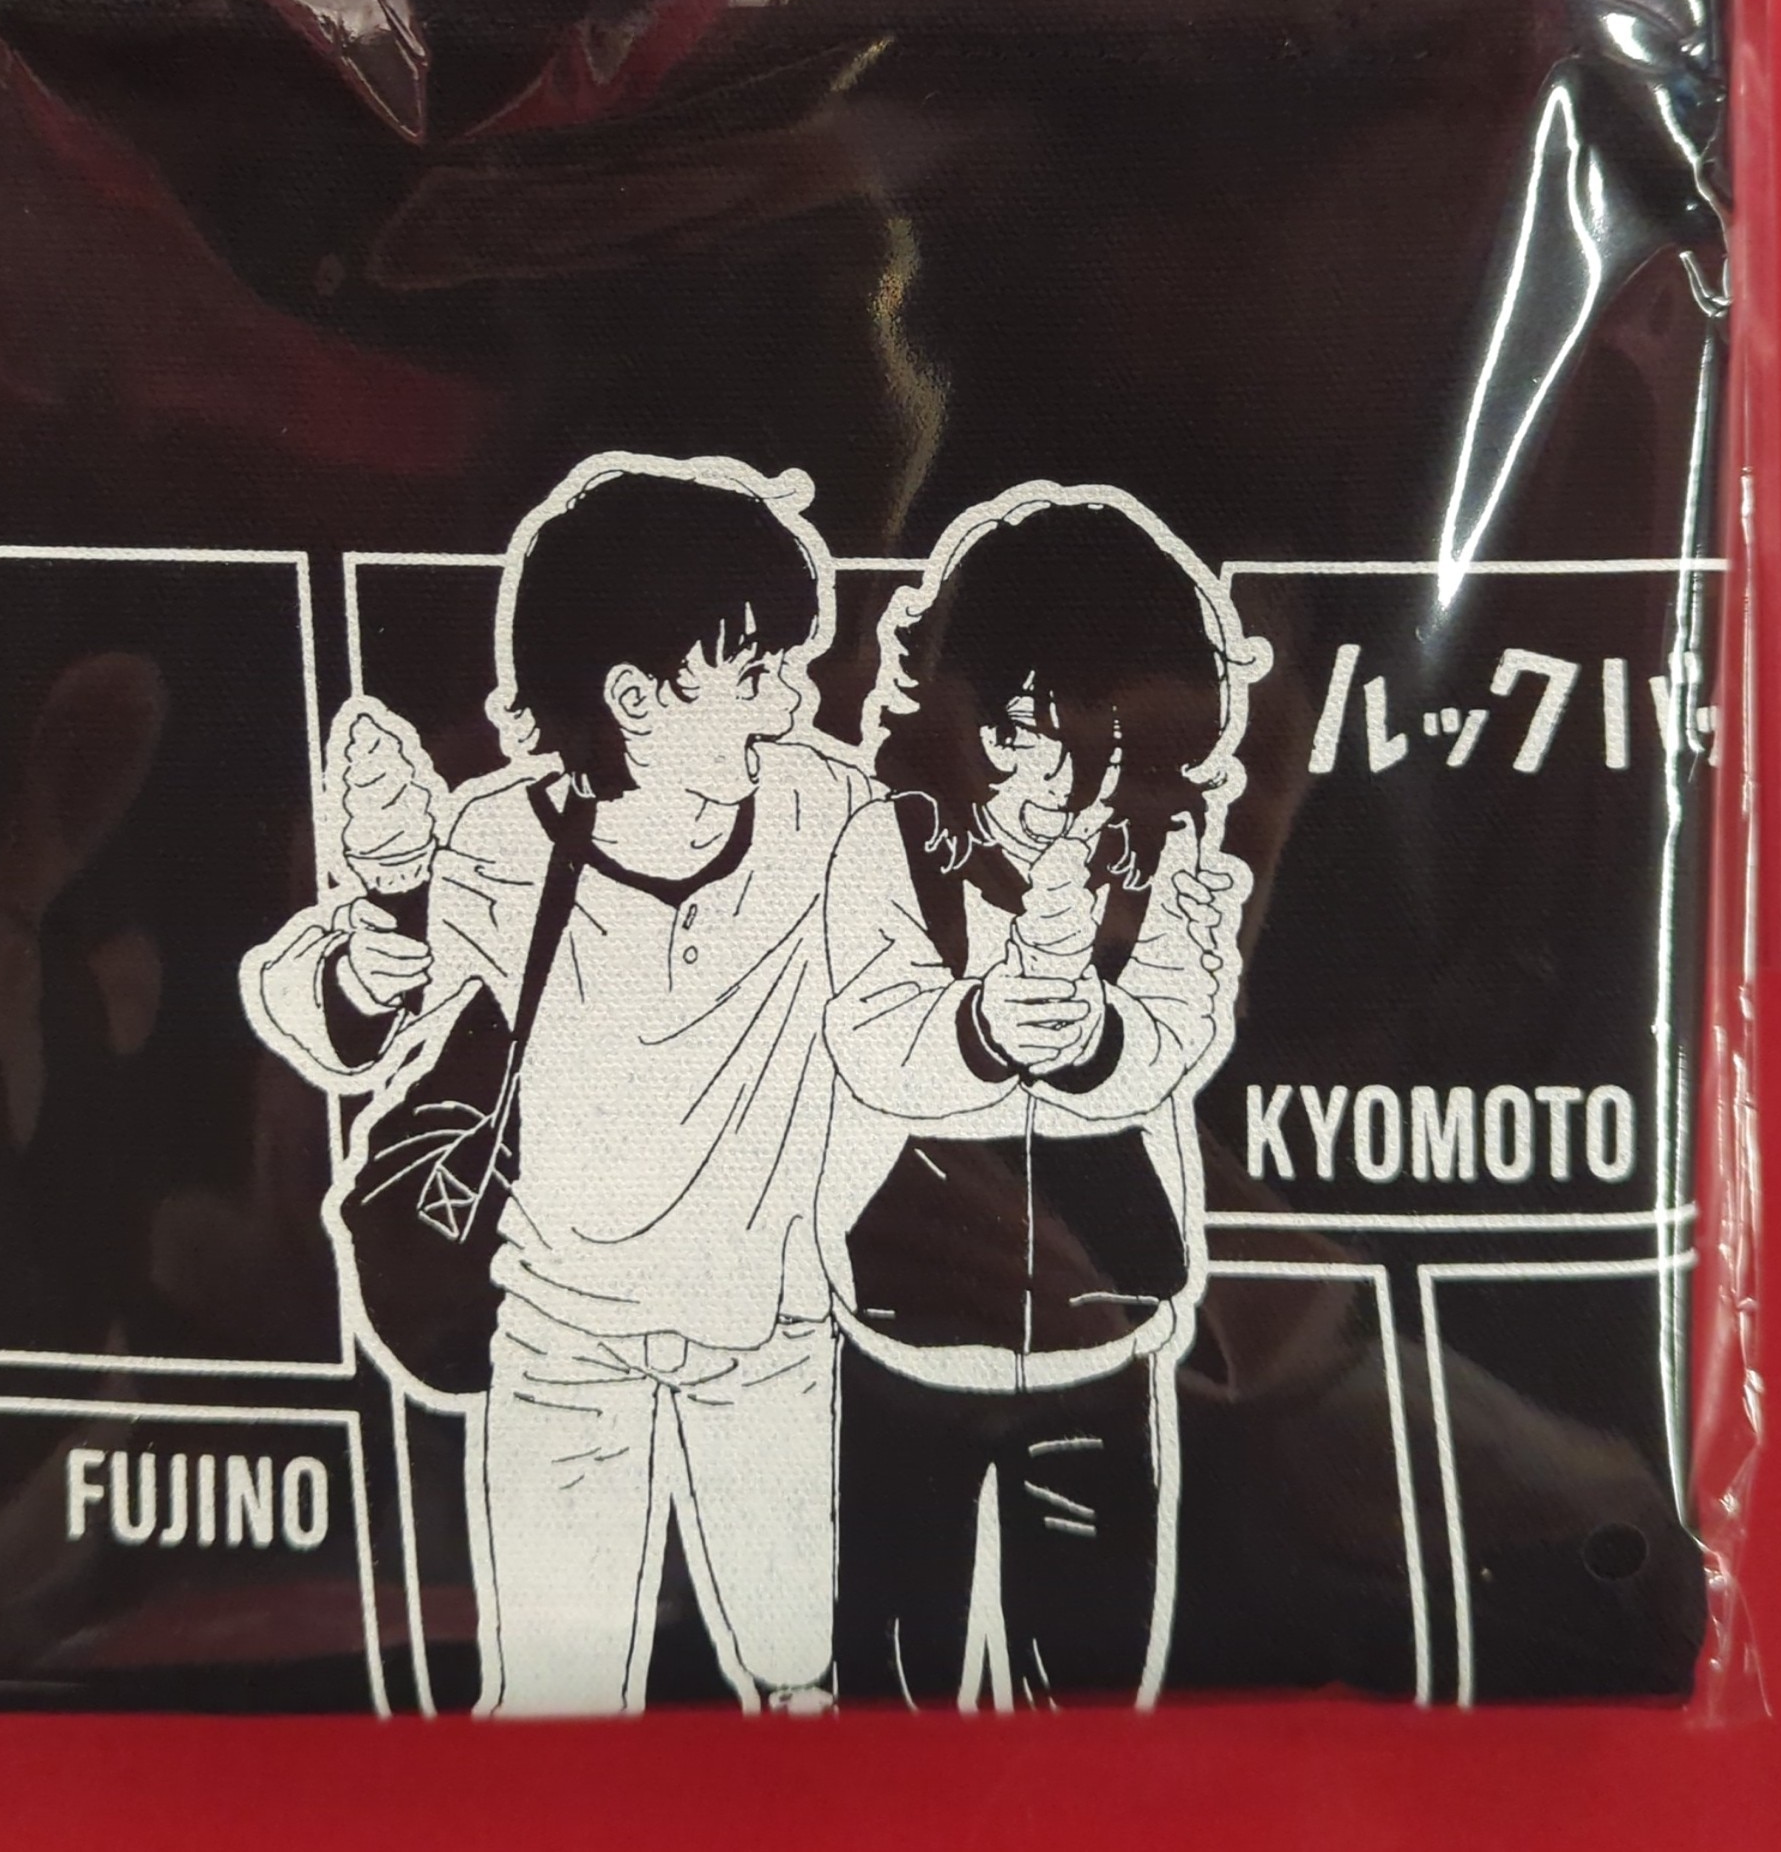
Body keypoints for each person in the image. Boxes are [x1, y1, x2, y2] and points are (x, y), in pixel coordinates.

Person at [244, 454, 870, 1715]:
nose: (789, 701)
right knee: (550, 1695)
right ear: (635, 697)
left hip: (768, 1345)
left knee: (797, 1679)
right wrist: (386, 902)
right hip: (560, 1347)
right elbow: (328, 1019)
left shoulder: (828, 813)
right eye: (755, 671)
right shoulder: (501, 838)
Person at [818, 485, 1259, 1708]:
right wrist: (986, 1025)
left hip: (1102, 1337)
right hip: (896, 1331)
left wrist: (1086, 1037)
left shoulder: (1169, 861)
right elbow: (869, 1032)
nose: (1045, 783)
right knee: (886, 1678)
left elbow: (1179, 1031)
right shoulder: (883, 845)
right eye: (1015, 730)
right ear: (940, 698)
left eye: (1092, 744)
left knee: (1088, 1683)